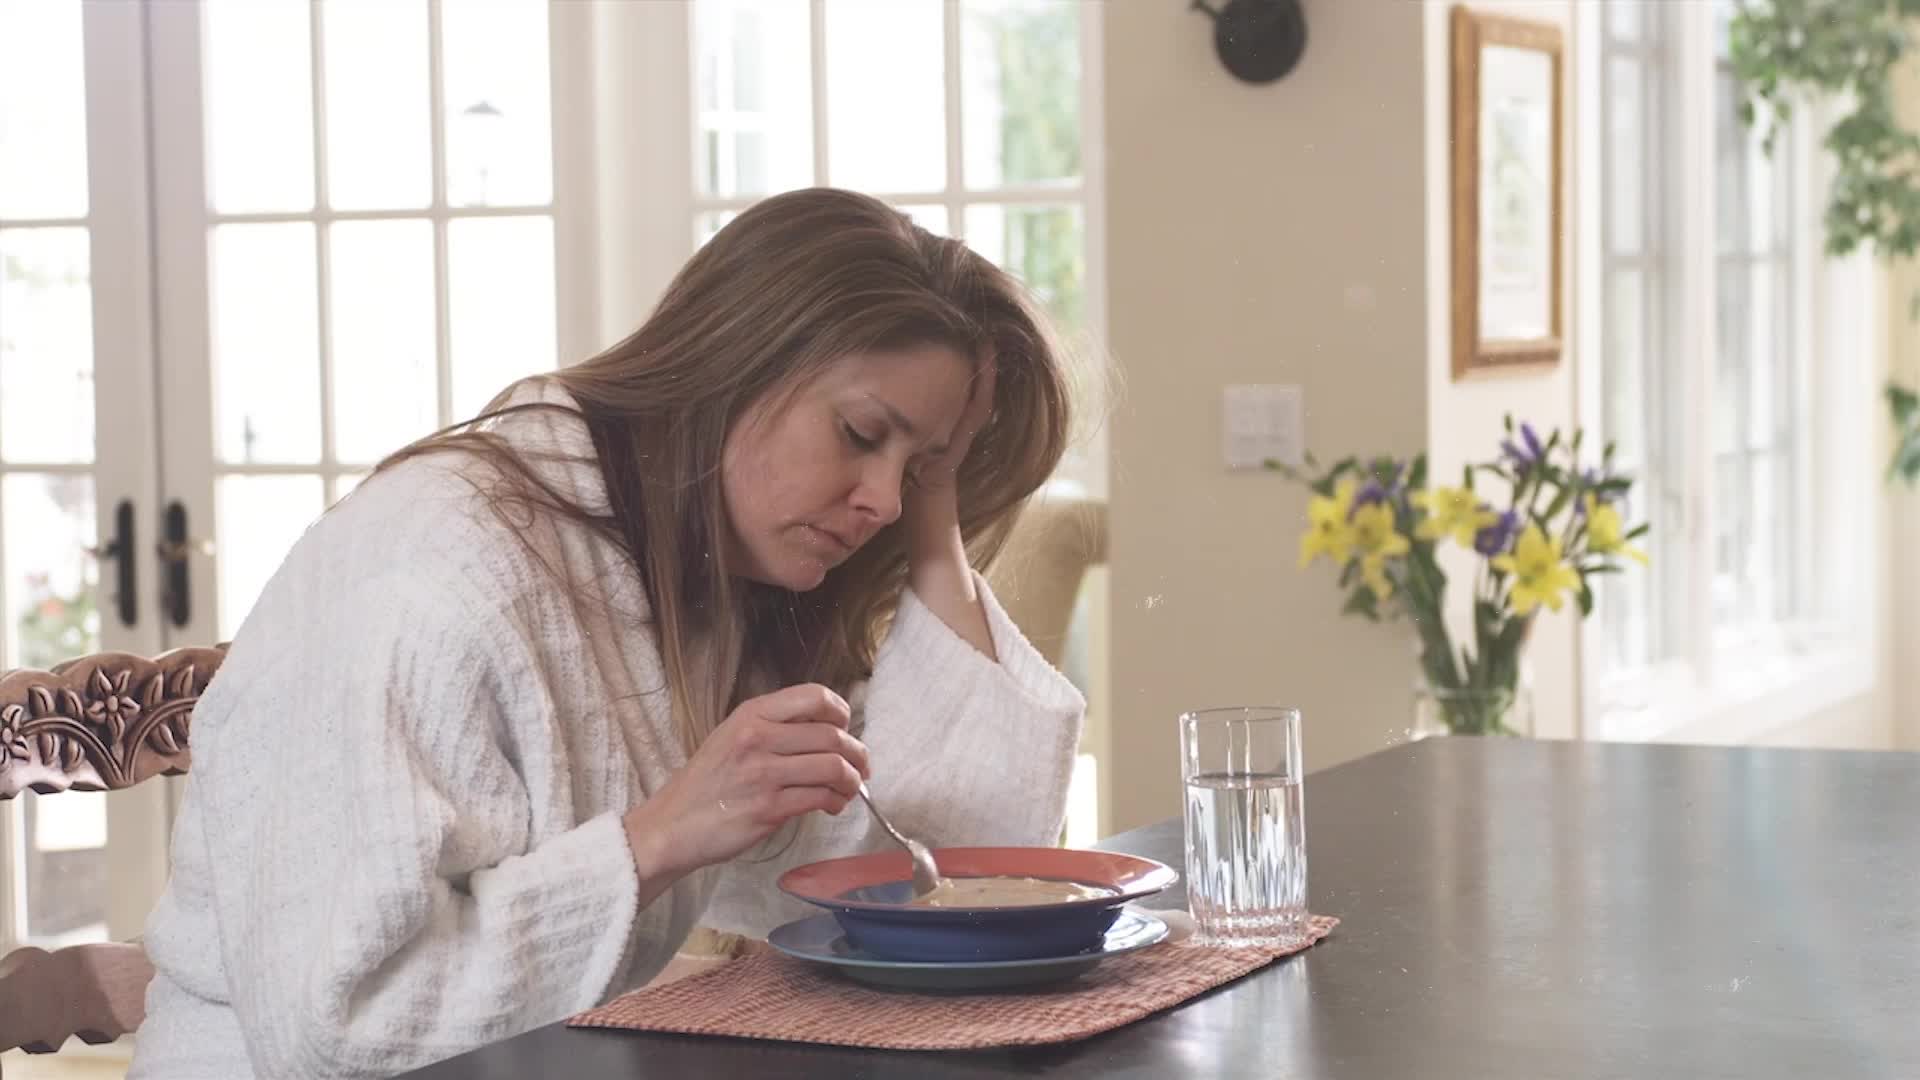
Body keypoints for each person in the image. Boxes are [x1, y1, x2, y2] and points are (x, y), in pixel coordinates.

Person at [128, 188, 1087, 1079]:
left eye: (914, 467)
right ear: (735, 363)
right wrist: (660, 836)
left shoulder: (694, 578)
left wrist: (936, 502)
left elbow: (951, 877)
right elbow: (338, 1020)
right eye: (862, 433)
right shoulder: (433, 567)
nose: (883, 501)